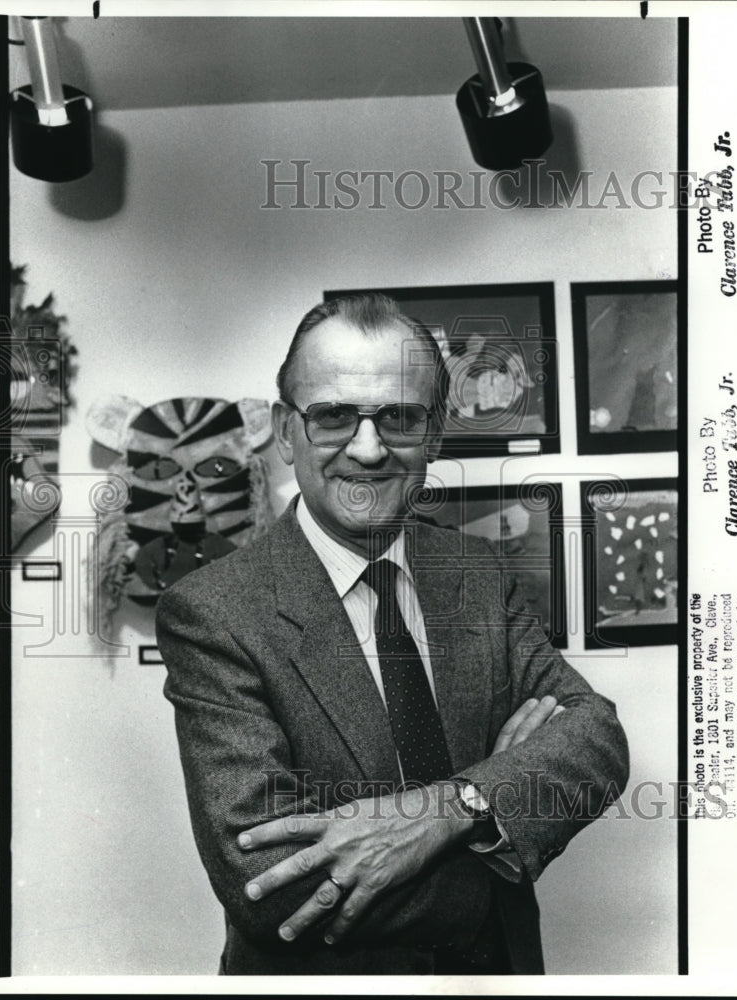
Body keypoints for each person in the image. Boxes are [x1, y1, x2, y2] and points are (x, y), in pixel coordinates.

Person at [155, 292, 629, 976]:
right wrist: (498, 825)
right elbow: (272, 881)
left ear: (434, 433)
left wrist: (448, 807)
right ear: (287, 431)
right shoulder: (213, 611)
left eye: (399, 417)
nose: (369, 449)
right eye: (334, 417)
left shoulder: (475, 570)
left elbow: (596, 740)